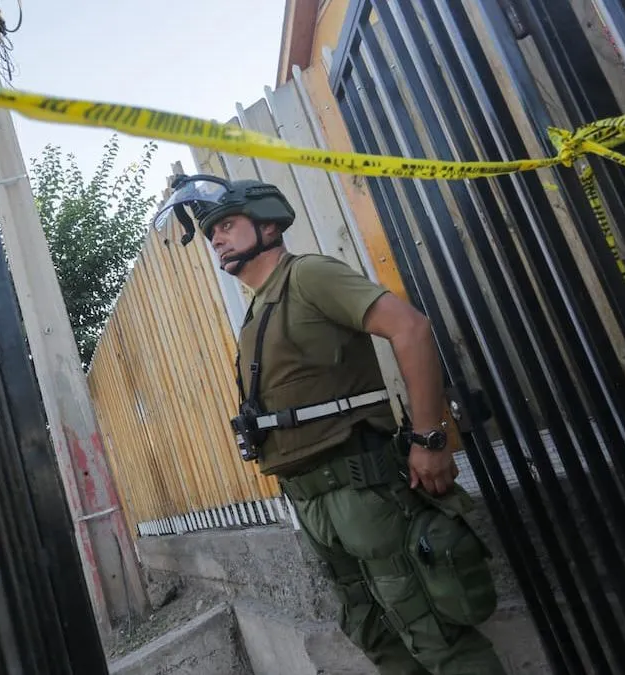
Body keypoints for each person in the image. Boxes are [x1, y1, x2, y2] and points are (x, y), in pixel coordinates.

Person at [154, 177, 505, 674]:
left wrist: (430, 438)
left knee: (431, 631)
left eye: (227, 225)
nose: (217, 240)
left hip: (363, 490)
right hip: (314, 503)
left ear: (268, 224)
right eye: (211, 233)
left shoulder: (308, 275)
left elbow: (410, 328)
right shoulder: (260, 308)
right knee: (375, 633)